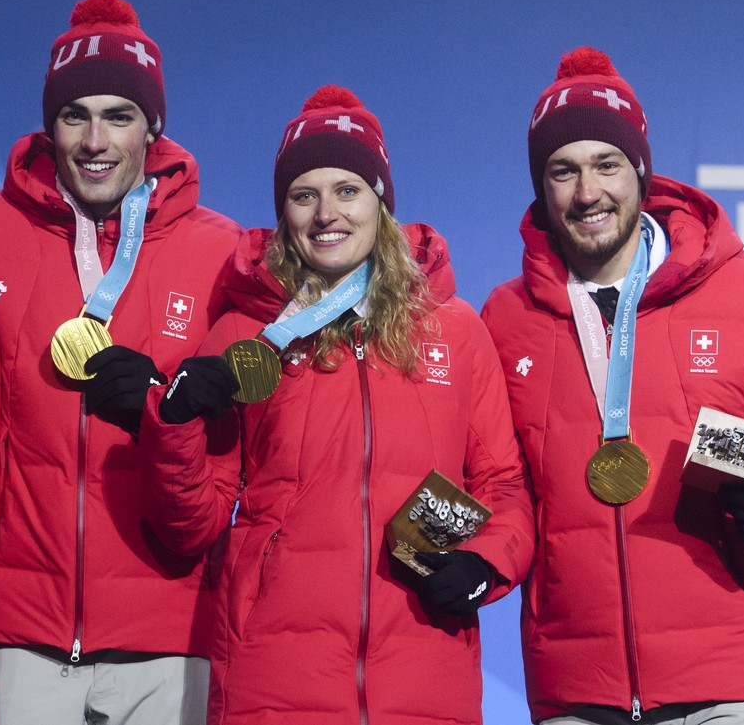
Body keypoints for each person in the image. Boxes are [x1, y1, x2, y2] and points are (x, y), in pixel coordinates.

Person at [482, 47, 744, 724]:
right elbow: (503, 485)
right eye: (563, 170)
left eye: (607, 165)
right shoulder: (507, 319)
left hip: (738, 677)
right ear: (540, 186)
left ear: (641, 172)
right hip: (577, 686)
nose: (588, 193)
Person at [132, 85, 533, 723]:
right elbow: (193, 524)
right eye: (304, 194)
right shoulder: (246, 334)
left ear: (381, 203)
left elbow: (502, 484)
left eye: (347, 190)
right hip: (274, 679)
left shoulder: (453, 329)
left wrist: (487, 561)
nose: (326, 214)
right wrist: (174, 423)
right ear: (284, 212)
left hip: (426, 678)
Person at [0, 0, 242, 724]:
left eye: (119, 116)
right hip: (17, 638)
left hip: (170, 637)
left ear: (154, 127)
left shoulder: (219, 251)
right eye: (75, 115)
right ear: (49, 126)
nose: (95, 140)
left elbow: (235, 451)